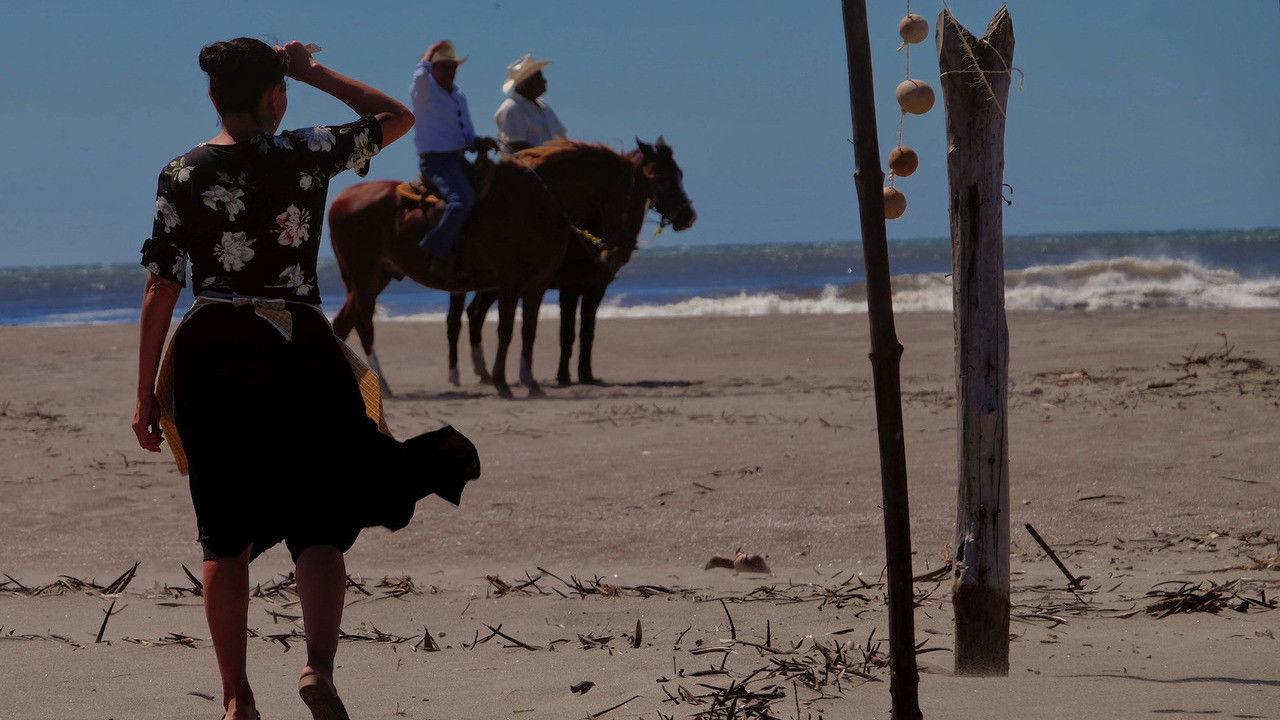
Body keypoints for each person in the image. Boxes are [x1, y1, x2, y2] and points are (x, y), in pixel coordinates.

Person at [132, 38, 478, 720]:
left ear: (212, 97)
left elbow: (161, 288)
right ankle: (316, 666)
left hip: (213, 351)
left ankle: (235, 698)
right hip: (299, 345)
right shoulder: (306, 151)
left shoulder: (180, 172)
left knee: (224, 536)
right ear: (274, 97)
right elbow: (392, 118)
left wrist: (144, 392)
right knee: (320, 525)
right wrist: (311, 70)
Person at [410, 40, 498, 274]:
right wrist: (430, 50)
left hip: (458, 159)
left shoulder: (459, 96)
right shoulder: (424, 91)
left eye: (453, 67)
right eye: (444, 67)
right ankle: (435, 249)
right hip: (436, 161)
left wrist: (478, 142)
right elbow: (419, 74)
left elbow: (466, 134)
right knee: (462, 200)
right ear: (434, 68)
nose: (450, 71)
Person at [494, 53, 567, 153]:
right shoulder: (511, 108)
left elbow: (562, 139)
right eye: (539, 77)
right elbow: (516, 146)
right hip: (526, 167)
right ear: (525, 83)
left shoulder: (544, 107)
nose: (544, 81)